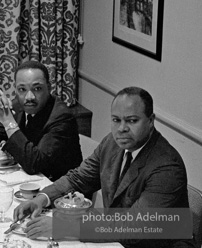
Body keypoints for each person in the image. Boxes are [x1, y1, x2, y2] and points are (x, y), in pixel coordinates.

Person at [13, 87, 196, 247]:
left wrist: (63, 227)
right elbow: (78, 178)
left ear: (151, 121)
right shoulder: (112, 142)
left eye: (132, 121)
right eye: (116, 120)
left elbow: (135, 226)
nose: (121, 128)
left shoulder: (167, 167)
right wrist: (42, 198)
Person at [0, 61, 82, 181]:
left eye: (37, 89)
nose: (29, 97)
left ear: (49, 88)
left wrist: (9, 123)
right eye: (22, 89)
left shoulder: (62, 118)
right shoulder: (17, 107)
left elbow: (34, 164)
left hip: (60, 190)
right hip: (27, 181)